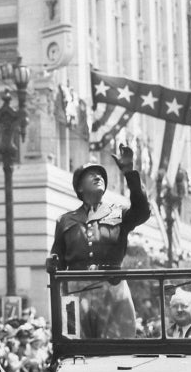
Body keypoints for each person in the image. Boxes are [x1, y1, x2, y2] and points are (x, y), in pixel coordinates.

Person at [49, 145, 151, 338]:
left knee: (119, 349)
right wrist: (52, 261)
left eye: (101, 174)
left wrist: (129, 173)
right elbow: (58, 260)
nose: (98, 177)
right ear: (79, 187)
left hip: (113, 290)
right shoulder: (65, 221)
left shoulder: (118, 213)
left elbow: (142, 211)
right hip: (75, 293)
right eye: (91, 174)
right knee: (72, 346)